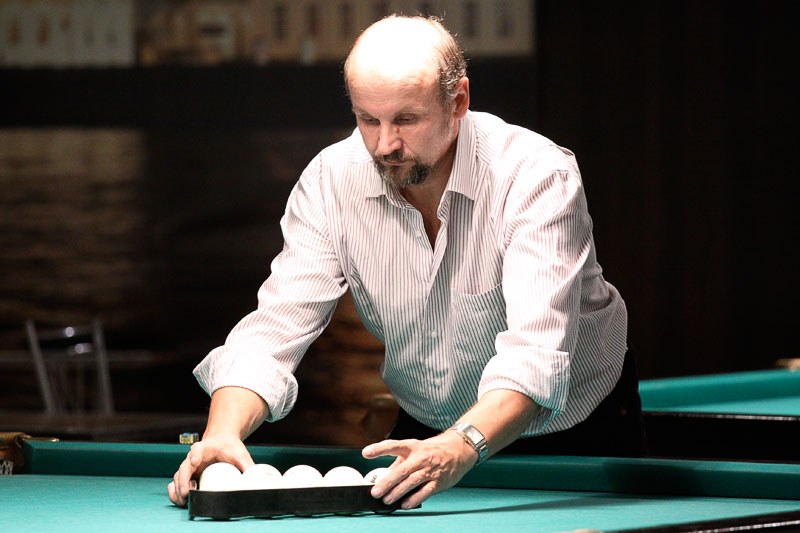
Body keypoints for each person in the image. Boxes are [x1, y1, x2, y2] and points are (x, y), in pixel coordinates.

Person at [167, 15, 645, 510]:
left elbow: (534, 356)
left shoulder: (534, 175)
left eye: (406, 120)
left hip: (573, 429)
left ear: (458, 101)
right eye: (368, 120)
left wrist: (463, 444)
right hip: (429, 427)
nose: (385, 145)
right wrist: (221, 432)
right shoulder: (331, 180)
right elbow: (275, 329)